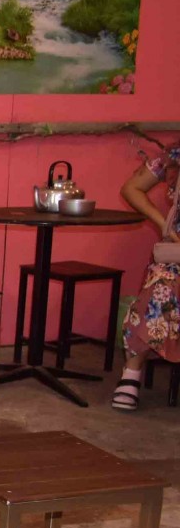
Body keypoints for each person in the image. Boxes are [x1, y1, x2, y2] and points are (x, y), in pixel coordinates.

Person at [111, 140, 180, 410]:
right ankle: (132, 373)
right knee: (162, 284)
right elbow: (132, 188)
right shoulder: (175, 155)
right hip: (176, 255)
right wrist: (164, 222)